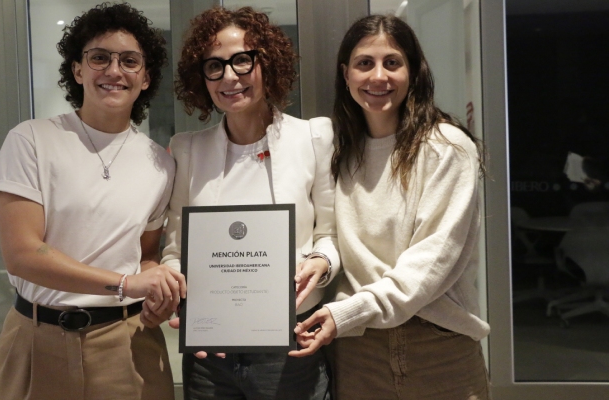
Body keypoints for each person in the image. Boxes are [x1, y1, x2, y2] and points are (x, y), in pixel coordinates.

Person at [0, 3, 185, 400]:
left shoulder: (160, 163)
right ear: (77, 70)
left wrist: (158, 288)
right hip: (36, 337)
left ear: (145, 77)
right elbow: (22, 254)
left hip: (127, 340)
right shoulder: (32, 140)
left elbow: (144, 255)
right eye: (99, 58)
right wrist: (126, 283)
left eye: (129, 61)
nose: (114, 70)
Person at [290, 14, 490, 400]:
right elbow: (336, 234)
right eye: (365, 63)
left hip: (437, 344)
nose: (378, 76)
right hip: (357, 349)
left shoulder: (446, 148)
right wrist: (321, 261)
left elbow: (431, 262)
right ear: (346, 74)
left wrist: (348, 312)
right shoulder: (342, 152)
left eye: (392, 62)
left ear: (413, 72)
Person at [158, 6, 339, 400]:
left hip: (292, 340)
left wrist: (321, 264)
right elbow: (174, 253)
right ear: (201, 78)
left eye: (242, 60)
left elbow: (329, 235)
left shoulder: (313, 138)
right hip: (211, 350)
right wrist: (182, 299)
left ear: (266, 64)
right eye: (214, 66)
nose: (229, 76)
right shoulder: (187, 149)